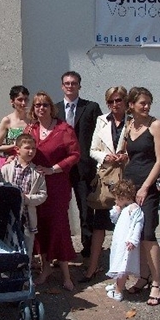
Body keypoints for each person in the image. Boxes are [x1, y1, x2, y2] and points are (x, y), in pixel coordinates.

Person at [25, 91, 81, 291]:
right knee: (39, 227)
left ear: (51, 107)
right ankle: (45, 269)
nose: (41, 108)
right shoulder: (30, 129)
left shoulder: (63, 129)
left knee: (59, 227)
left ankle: (66, 275)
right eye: (37, 105)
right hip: (36, 185)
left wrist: (53, 169)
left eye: (45, 105)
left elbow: (75, 154)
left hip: (57, 185)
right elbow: (20, 150)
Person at [122, 87, 160, 306]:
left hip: (147, 187)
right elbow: (129, 155)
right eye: (142, 103)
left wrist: (146, 187)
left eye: (149, 102)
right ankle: (143, 276)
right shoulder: (129, 125)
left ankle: (157, 282)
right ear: (131, 105)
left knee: (148, 233)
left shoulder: (155, 125)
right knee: (136, 233)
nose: (147, 106)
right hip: (130, 185)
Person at [82, 86, 129, 283]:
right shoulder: (102, 120)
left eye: (118, 100)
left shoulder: (132, 120)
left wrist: (126, 156)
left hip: (127, 178)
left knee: (126, 225)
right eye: (111, 101)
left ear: (126, 101)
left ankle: (124, 270)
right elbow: (93, 149)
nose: (115, 104)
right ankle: (92, 267)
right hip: (107, 178)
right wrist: (105, 156)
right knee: (99, 225)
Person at [54, 71, 102, 259]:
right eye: (67, 83)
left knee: (86, 211)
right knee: (59, 211)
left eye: (73, 83)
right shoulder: (55, 109)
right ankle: (61, 251)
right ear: (62, 86)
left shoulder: (91, 107)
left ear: (79, 86)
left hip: (84, 168)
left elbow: (100, 135)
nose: (70, 86)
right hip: (61, 168)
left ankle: (88, 251)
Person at [0, 133, 47, 262]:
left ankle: (26, 272)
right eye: (27, 148)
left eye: (33, 148)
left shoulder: (37, 173)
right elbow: (0, 190)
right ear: (17, 149)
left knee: (27, 249)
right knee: (8, 247)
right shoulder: (6, 169)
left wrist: (26, 198)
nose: (31, 151)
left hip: (27, 218)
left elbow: (43, 195)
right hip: (9, 216)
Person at [104, 179, 143, 302]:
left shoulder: (134, 209)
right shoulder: (124, 209)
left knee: (122, 267)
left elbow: (138, 225)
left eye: (117, 198)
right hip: (119, 242)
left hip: (126, 243)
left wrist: (133, 240)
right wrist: (116, 211)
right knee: (118, 263)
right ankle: (117, 285)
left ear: (124, 196)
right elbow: (115, 221)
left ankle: (118, 292)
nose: (115, 200)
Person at [0, 85, 30, 169]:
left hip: (30, 164)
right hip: (12, 164)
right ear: (12, 101)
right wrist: (13, 146)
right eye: (20, 100)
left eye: (25, 99)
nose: (23, 103)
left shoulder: (32, 120)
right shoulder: (7, 121)